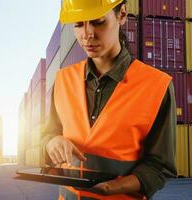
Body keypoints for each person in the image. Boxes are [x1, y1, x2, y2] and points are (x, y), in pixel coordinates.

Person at [39, 0, 177, 199]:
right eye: (78, 24)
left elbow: (160, 167)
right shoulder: (62, 80)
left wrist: (113, 188)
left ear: (121, 14)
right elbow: (48, 134)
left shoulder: (158, 86)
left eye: (98, 22)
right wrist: (51, 142)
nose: (87, 34)